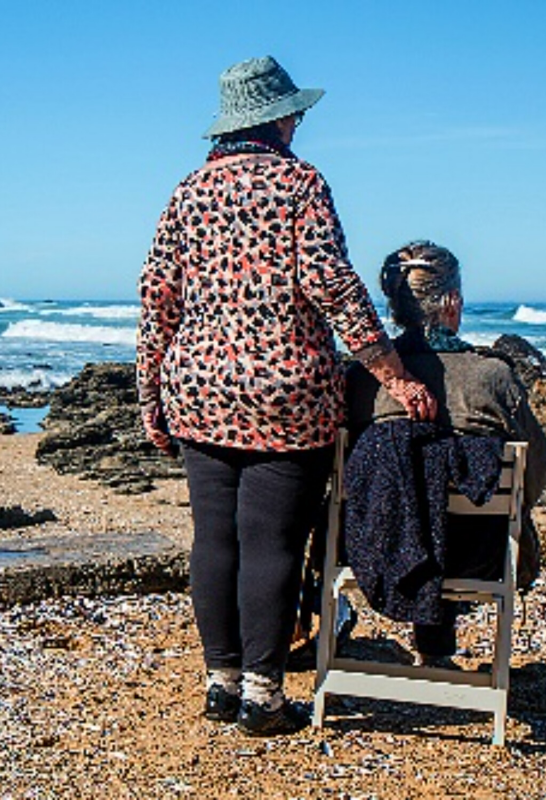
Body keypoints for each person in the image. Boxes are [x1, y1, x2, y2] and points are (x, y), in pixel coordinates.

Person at [136, 56, 436, 736]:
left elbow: (157, 298)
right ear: (275, 118)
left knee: (213, 540)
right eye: (294, 112)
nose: (299, 121)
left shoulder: (187, 192)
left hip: (199, 387)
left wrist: (150, 393)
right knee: (271, 543)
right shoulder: (300, 183)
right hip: (285, 392)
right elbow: (331, 283)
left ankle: (221, 684)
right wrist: (392, 372)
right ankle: (263, 698)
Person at [346, 240, 546, 666]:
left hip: (372, 548)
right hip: (478, 554)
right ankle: (437, 651)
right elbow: (535, 475)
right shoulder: (492, 377)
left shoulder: (363, 380)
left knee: (409, 492)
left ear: (395, 307)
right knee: (453, 506)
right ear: (452, 301)